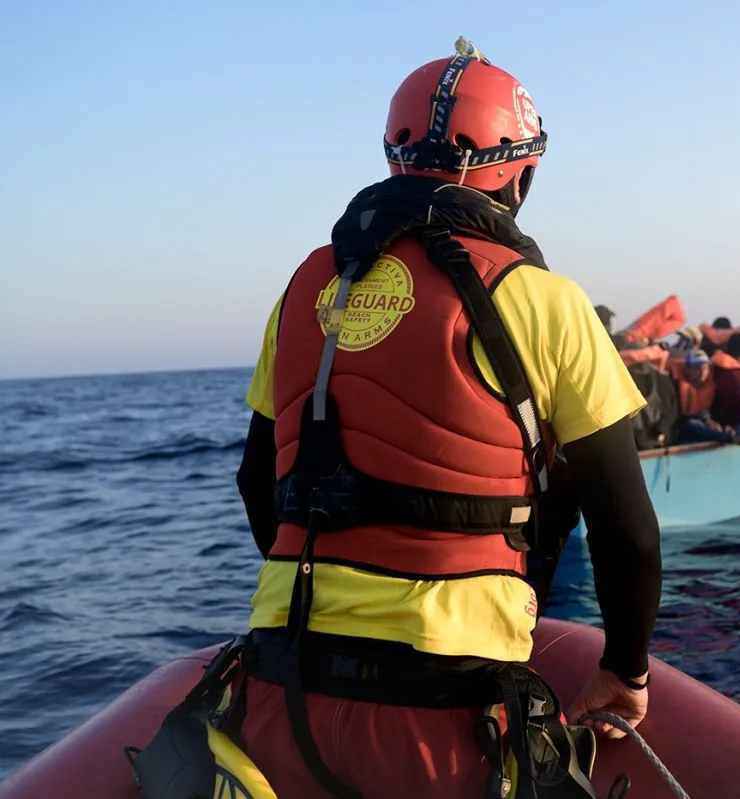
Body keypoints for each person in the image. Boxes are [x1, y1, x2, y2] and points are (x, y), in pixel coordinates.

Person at [135, 40, 663, 799]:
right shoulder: (547, 302)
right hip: (448, 718)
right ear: (522, 173)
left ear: (395, 161)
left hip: (282, 693)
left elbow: (261, 482)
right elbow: (629, 530)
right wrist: (626, 669)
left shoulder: (306, 289)